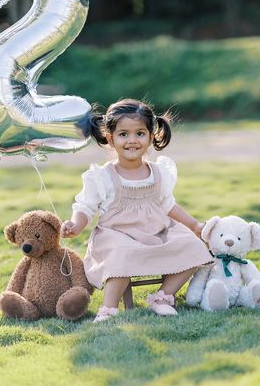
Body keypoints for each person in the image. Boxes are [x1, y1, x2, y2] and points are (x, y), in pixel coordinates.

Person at [61, 99, 211, 322]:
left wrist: (195, 225)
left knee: (193, 246)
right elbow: (85, 207)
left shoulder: (158, 172)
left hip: (156, 232)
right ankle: (108, 309)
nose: (132, 140)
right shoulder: (103, 177)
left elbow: (168, 205)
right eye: (123, 134)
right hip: (117, 235)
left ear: (151, 136)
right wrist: (76, 224)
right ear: (111, 139)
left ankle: (163, 296)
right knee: (122, 253)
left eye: (140, 133)